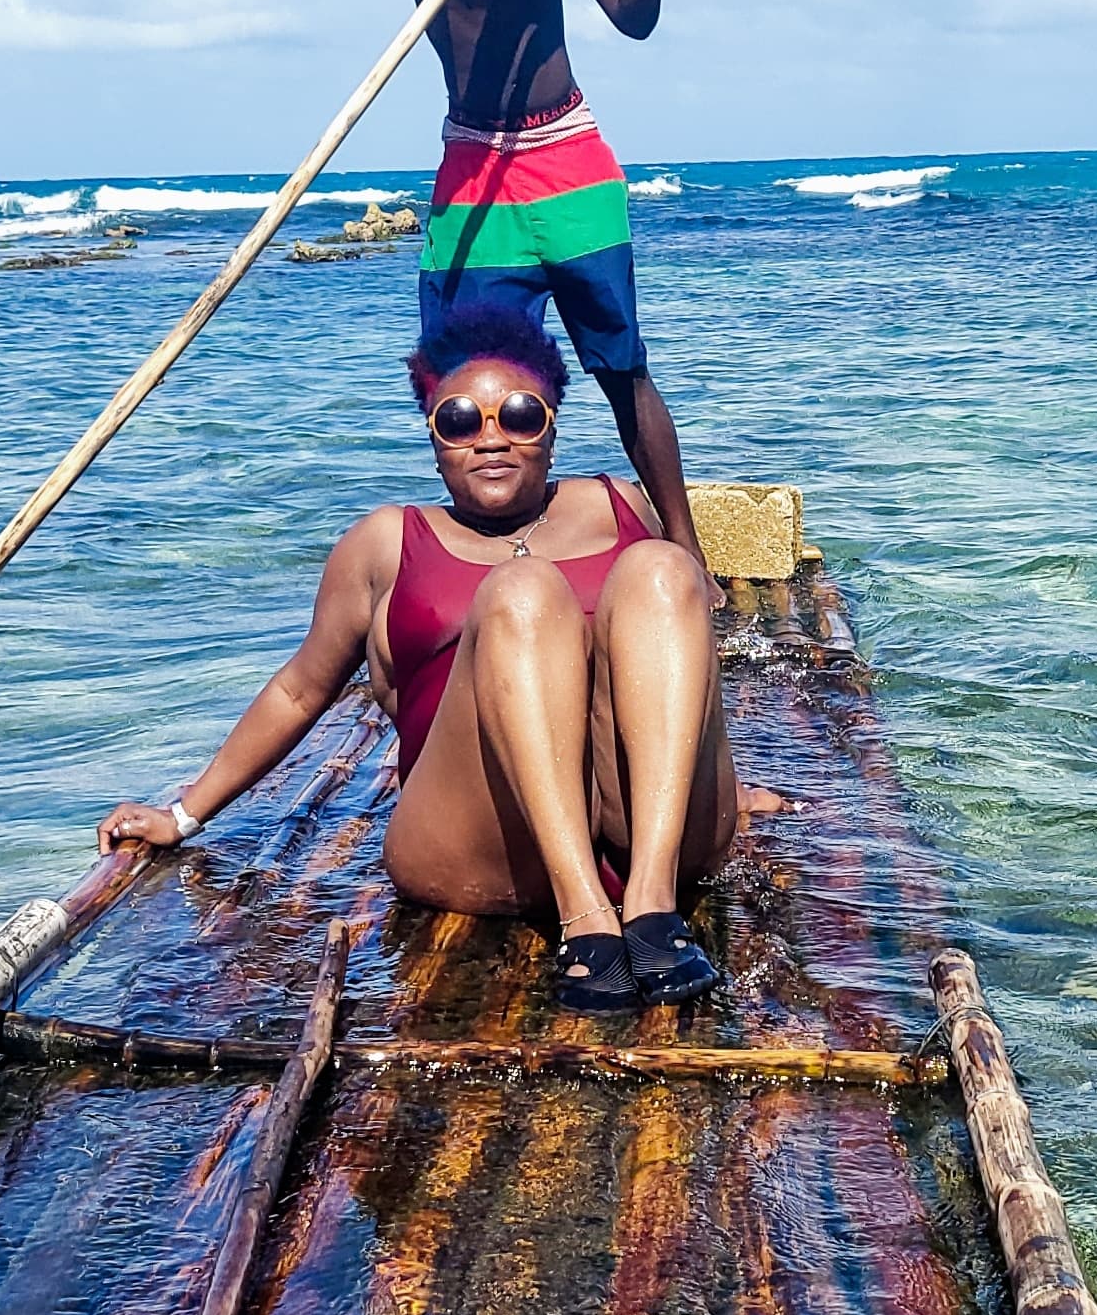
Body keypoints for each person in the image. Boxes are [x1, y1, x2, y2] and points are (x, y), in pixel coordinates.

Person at [98, 306, 737, 1010]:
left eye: (520, 416)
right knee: (523, 591)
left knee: (662, 570)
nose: (491, 439)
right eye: (460, 421)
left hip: (645, 835)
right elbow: (300, 690)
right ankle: (585, 915)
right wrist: (183, 816)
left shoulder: (618, 502)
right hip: (484, 839)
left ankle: (650, 902)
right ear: (434, 442)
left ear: (552, 429)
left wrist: (731, 784)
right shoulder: (383, 542)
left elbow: (665, 667)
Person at [388, 0, 705, 572]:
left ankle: (687, 556)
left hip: (568, 155)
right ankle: (491, 568)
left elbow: (634, 15)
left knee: (621, 366)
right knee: (468, 381)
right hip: (473, 172)